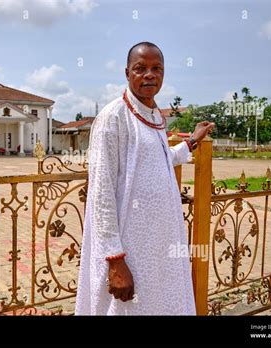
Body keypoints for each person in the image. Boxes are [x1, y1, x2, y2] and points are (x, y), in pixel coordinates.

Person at [75, 42, 214, 315]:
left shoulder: (153, 115)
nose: (149, 74)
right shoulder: (113, 117)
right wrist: (115, 260)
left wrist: (192, 142)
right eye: (141, 68)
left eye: (156, 68)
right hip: (129, 249)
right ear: (127, 73)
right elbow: (101, 191)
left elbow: (159, 160)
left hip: (160, 244)